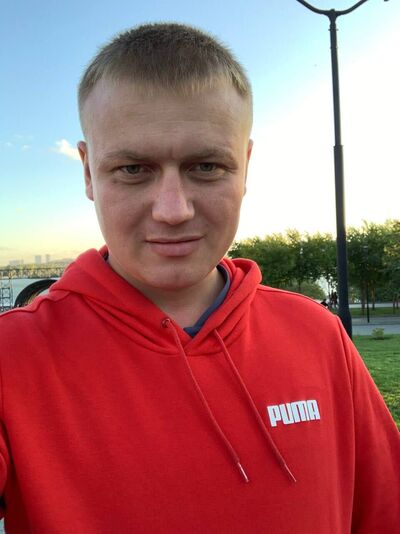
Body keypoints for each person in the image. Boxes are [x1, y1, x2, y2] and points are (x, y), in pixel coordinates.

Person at [0, 23, 399, 533]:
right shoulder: (13, 356)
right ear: (87, 173)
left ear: (245, 166)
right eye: (133, 169)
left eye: (206, 166)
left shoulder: (318, 335)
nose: (173, 210)